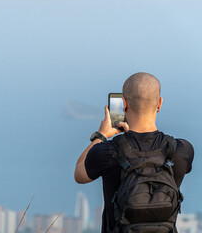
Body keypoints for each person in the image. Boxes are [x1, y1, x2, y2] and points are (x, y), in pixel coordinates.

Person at [74, 72, 194, 233]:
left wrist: (101, 136)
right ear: (159, 104)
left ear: (124, 104)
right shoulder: (180, 150)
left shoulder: (108, 151)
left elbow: (79, 174)